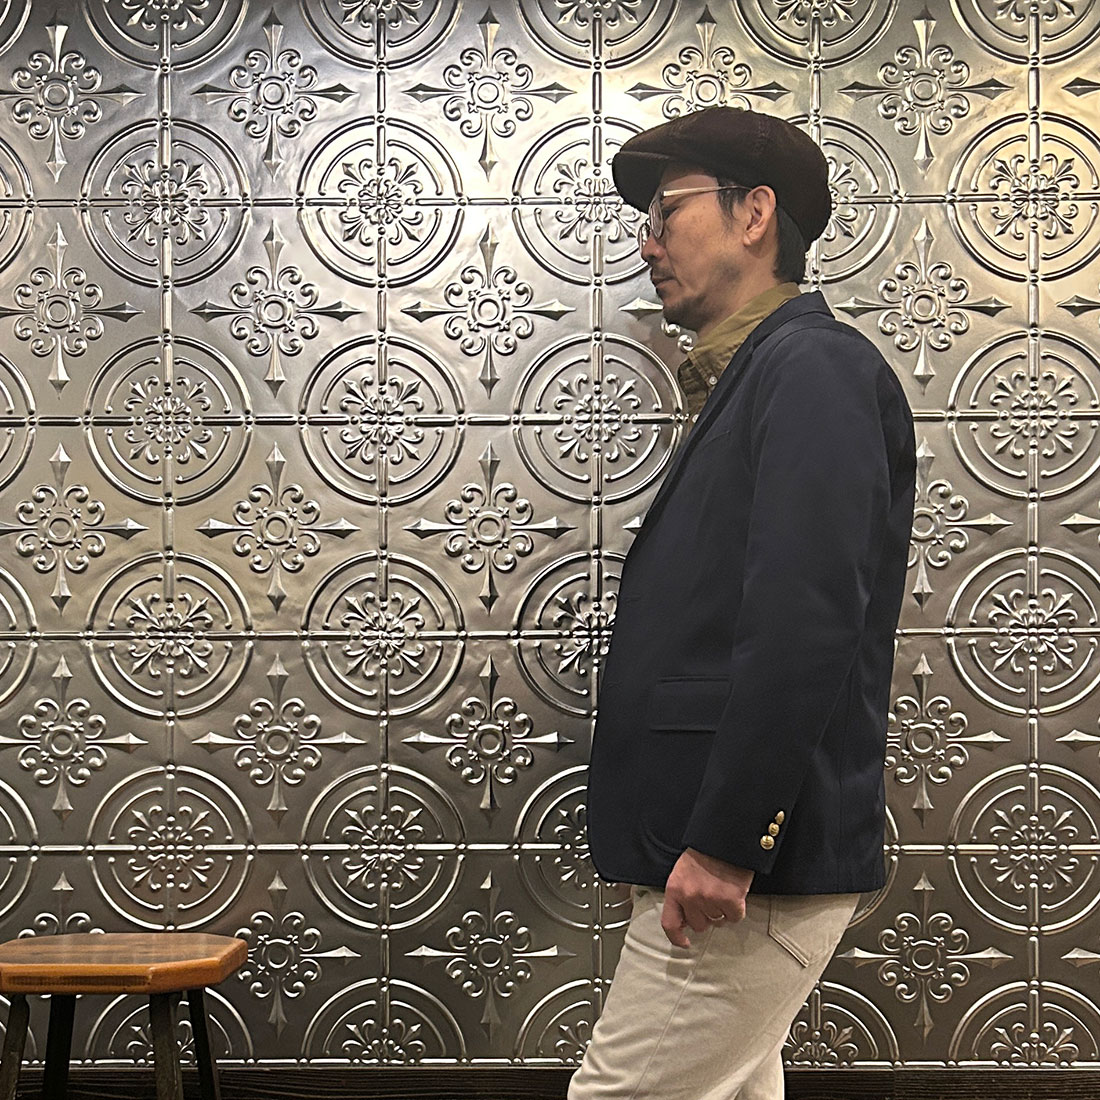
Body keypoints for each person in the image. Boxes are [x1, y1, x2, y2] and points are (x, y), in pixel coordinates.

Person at [569, 106, 917, 1099]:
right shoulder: (763, 373)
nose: (646, 242)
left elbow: (805, 623)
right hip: (731, 863)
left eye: (666, 212)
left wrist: (728, 842)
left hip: (748, 868)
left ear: (754, 213)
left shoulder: (813, 367)